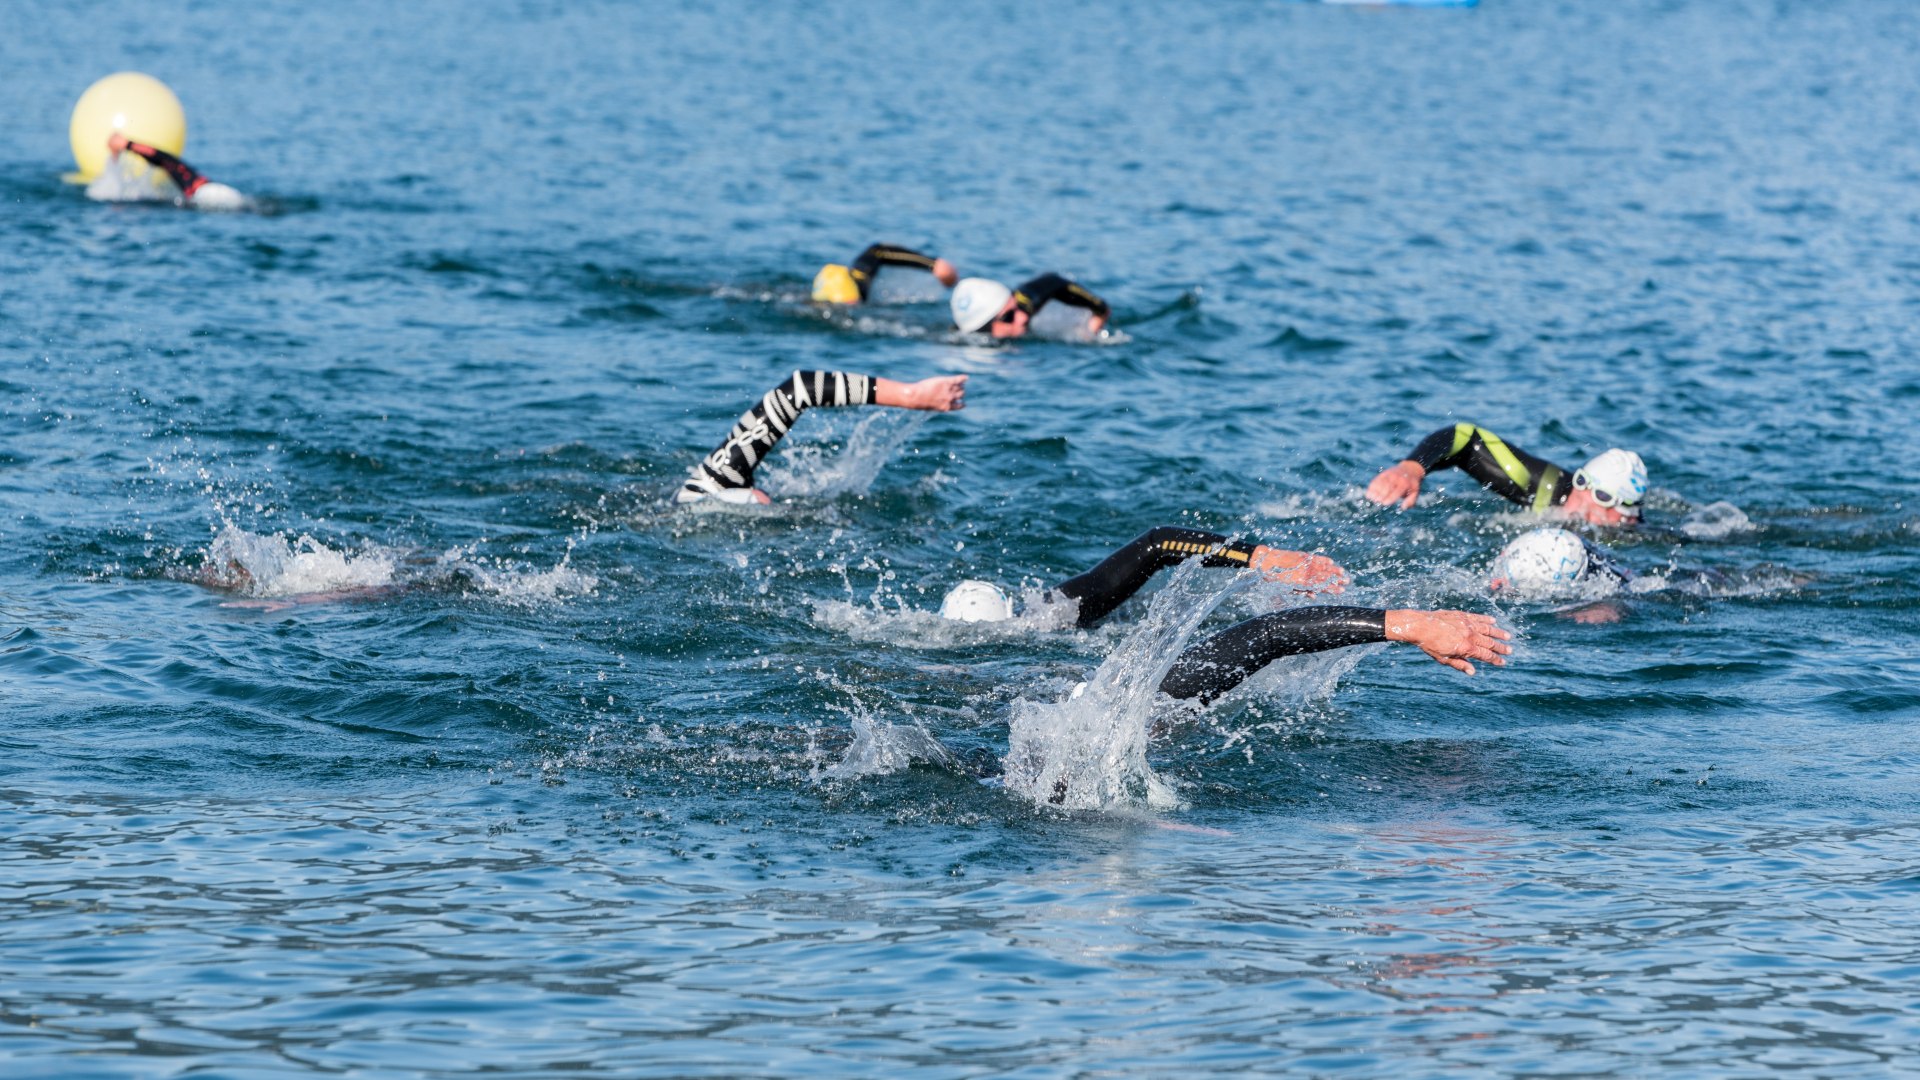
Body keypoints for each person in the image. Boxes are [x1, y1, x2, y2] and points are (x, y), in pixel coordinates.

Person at [939, 526, 1508, 702]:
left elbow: (1268, 633)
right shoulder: (1132, 708)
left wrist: (1410, 625)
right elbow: (1267, 633)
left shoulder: (1138, 697)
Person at [676, 370, 967, 505]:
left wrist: (911, 395)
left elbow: (799, 389)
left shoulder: (712, 481)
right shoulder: (704, 496)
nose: (765, 500)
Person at [1365, 422, 1647, 526]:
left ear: (1628, 514)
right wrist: (1412, 468)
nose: (1579, 498)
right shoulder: (1546, 486)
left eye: (1598, 496)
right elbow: (1467, 438)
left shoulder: (1635, 537)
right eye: (1581, 482)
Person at [104, 132, 246, 210]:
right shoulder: (188, 176)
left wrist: (127, 144)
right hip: (220, 192)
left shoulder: (183, 174)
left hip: (209, 195)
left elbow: (159, 156)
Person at [951, 273, 1110, 339]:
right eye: (1009, 317)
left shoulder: (1024, 302)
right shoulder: (974, 344)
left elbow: (1054, 280)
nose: (1022, 317)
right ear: (984, 328)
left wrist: (1098, 315)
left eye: (1016, 307)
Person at [811, 244, 959, 304]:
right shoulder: (858, 283)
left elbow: (877, 251)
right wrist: (932, 264)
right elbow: (877, 251)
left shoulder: (858, 277)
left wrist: (933, 265)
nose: (852, 304)